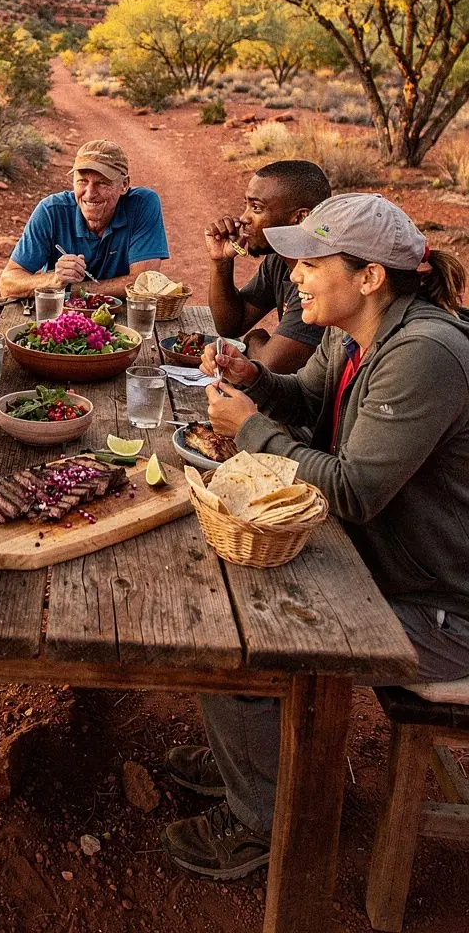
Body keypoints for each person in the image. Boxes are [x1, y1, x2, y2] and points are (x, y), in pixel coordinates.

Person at [162, 193, 469, 881]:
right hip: (383, 563)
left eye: (311, 261)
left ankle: (262, 820)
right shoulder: (357, 330)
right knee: (225, 586)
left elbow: (355, 492)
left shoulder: (424, 353)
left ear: (370, 276)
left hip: (438, 604)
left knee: (241, 636)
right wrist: (257, 381)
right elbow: (307, 402)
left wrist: (250, 426)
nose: (294, 276)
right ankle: (249, 759)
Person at [0, 139, 169, 298]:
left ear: (124, 185)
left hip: (122, 317)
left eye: (102, 183)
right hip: (60, 318)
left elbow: (143, 283)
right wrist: (54, 280)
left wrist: (72, 290)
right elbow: (8, 284)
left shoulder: (142, 204)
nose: (90, 194)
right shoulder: (51, 211)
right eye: (82, 181)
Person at [205, 159, 331, 373]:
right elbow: (231, 325)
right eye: (246, 205)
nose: (243, 218)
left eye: (256, 208)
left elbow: (268, 365)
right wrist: (221, 262)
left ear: (299, 217)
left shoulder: (323, 277)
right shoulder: (280, 260)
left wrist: (255, 338)